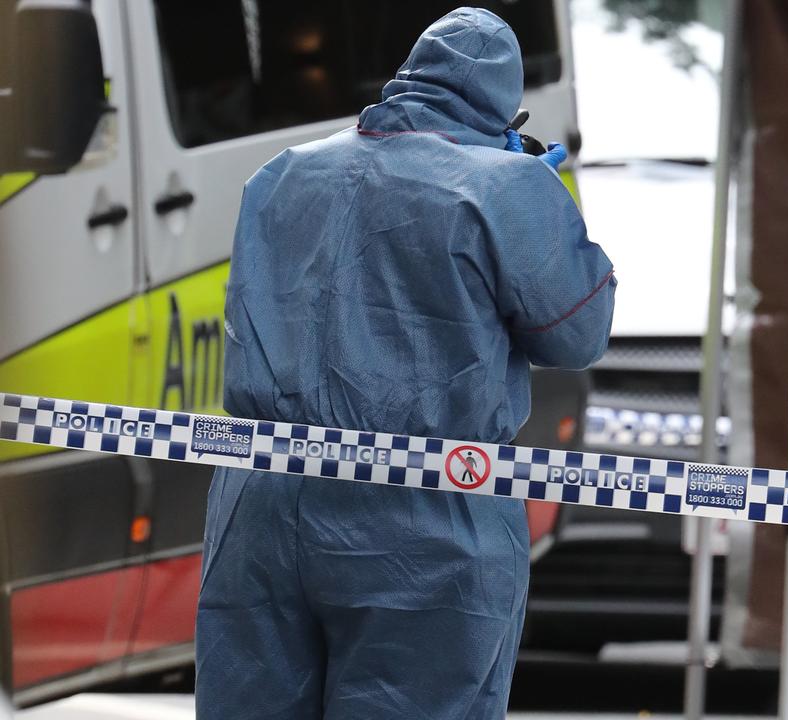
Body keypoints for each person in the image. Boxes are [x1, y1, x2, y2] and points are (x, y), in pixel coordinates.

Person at [195, 8, 615, 719]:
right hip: (424, 526)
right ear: (504, 109)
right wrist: (541, 195)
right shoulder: (507, 188)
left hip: (258, 505)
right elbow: (577, 335)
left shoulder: (281, 172)